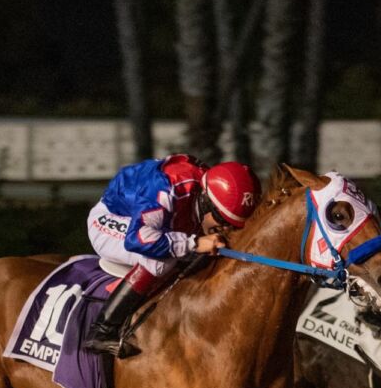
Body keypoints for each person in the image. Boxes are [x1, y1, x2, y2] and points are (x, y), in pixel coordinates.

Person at [84, 153, 261, 357]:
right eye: (223, 221)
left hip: (158, 220)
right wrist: (194, 243)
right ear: (207, 202)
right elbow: (138, 239)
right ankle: (102, 330)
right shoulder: (165, 190)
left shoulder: (210, 190)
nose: (227, 229)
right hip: (114, 219)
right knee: (161, 261)